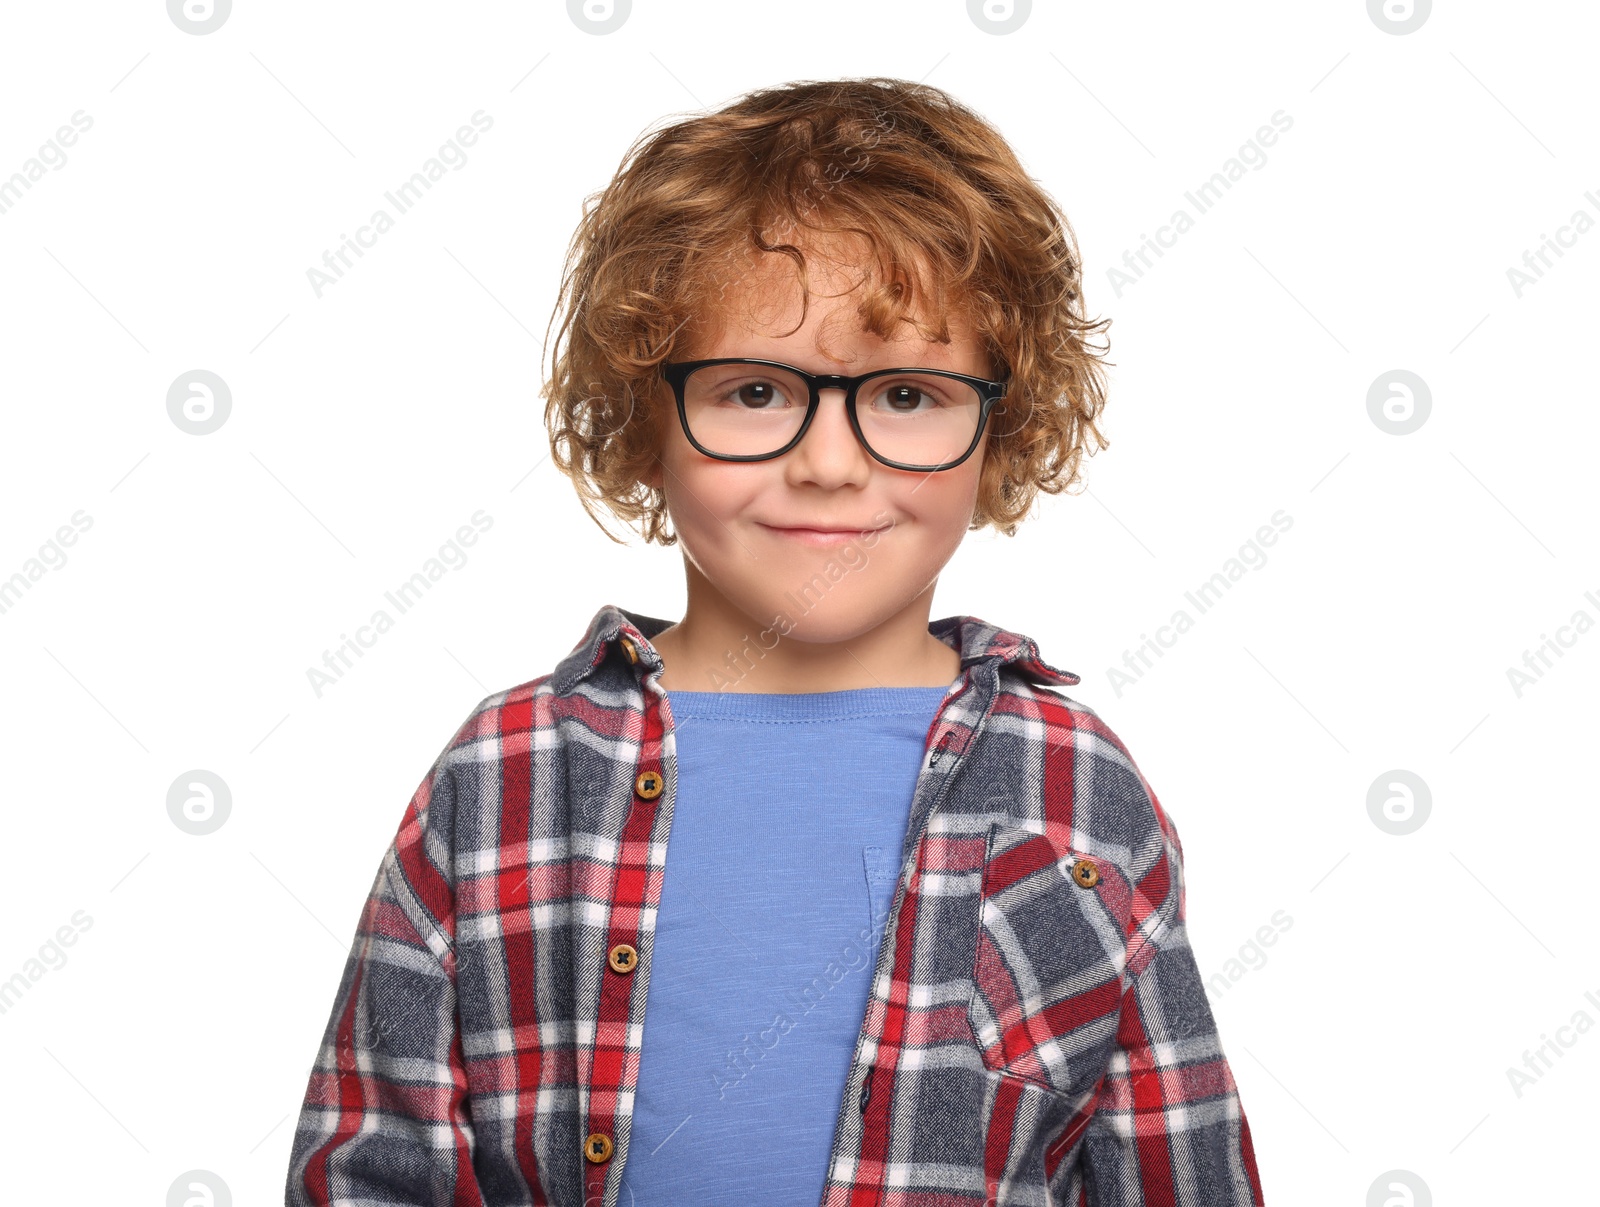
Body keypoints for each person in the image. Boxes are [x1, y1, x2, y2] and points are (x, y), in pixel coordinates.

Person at [285, 76, 1265, 1206]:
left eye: (905, 394)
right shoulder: (507, 770)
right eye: (754, 390)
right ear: (643, 419)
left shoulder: (1073, 783)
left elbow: (1174, 1164)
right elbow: (369, 1164)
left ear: (999, 430)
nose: (830, 463)